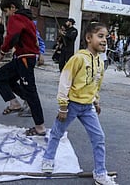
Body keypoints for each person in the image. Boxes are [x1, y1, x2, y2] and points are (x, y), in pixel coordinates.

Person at [41, 22, 117, 185]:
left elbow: (96, 83)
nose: (105, 40)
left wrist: (96, 100)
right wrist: (63, 106)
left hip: (88, 107)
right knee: (56, 132)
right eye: (100, 36)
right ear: (88, 38)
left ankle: (100, 173)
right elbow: (65, 81)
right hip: (71, 105)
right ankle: (48, 159)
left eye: (106, 37)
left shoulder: (100, 61)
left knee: (99, 137)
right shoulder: (78, 58)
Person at [0, 0, 46, 136]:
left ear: (13, 8)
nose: (6, 15)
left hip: (25, 59)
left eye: (6, 11)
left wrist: (2, 52)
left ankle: (40, 126)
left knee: (31, 91)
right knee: (0, 76)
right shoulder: (27, 19)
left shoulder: (16, 18)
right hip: (21, 58)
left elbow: (12, 36)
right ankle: (15, 102)